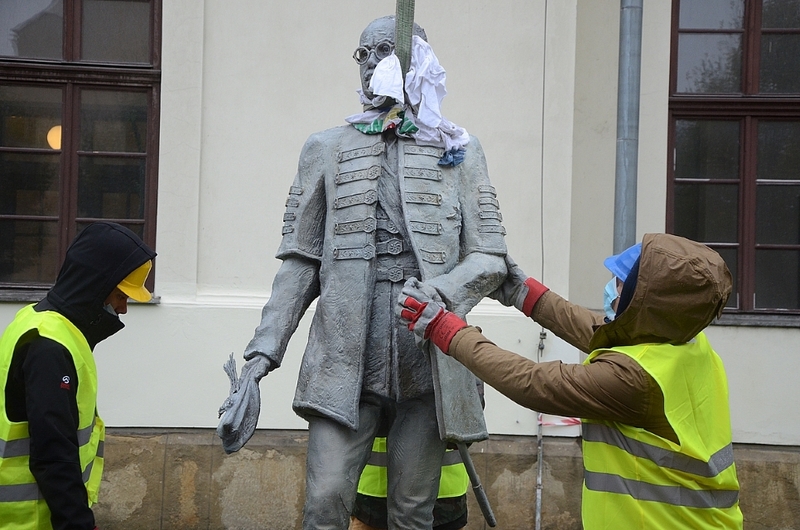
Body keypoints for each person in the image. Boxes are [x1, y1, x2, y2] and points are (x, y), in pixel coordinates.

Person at [219, 15, 506, 530]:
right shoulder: (325, 148)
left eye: (383, 52)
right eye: (364, 54)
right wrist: (261, 358)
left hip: (428, 358)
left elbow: (491, 256)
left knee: (413, 513)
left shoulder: (458, 150)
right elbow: (300, 263)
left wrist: (443, 290)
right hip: (343, 355)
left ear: (417, 64)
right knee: (324, 503)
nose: (372, 63)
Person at [398, 233, 744, 529]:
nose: (611, 288)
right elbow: (598, 332)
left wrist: (446, 329)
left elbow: (534, 383)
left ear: (645, 302)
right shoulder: (684, 341)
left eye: (621, 283)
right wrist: (524, 293)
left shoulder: (636, 380)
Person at [0, 222, 156, 530]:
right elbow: (53, 455)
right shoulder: (51, 347)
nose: (123, 309)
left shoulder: (35, 320)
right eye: (120, 296)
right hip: (31, 521)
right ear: (96, 286)